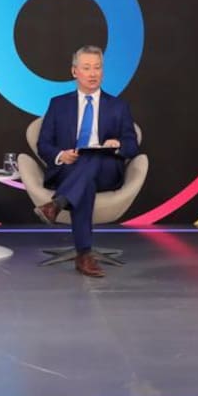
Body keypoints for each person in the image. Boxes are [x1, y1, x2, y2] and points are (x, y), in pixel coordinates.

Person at [34, 45, 139, 278]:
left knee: (92, 157)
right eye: (87, 68)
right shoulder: (58, 104)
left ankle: (57, 203)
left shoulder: (118, 106)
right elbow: (44, 144)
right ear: (74, 72)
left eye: (97, 68)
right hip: (69, 170)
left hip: (107, 171)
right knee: (85, 182)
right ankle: (84, 254)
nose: (93, 73)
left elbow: (133, 145)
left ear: (103, 72)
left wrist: (117, 145)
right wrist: (62, 155)